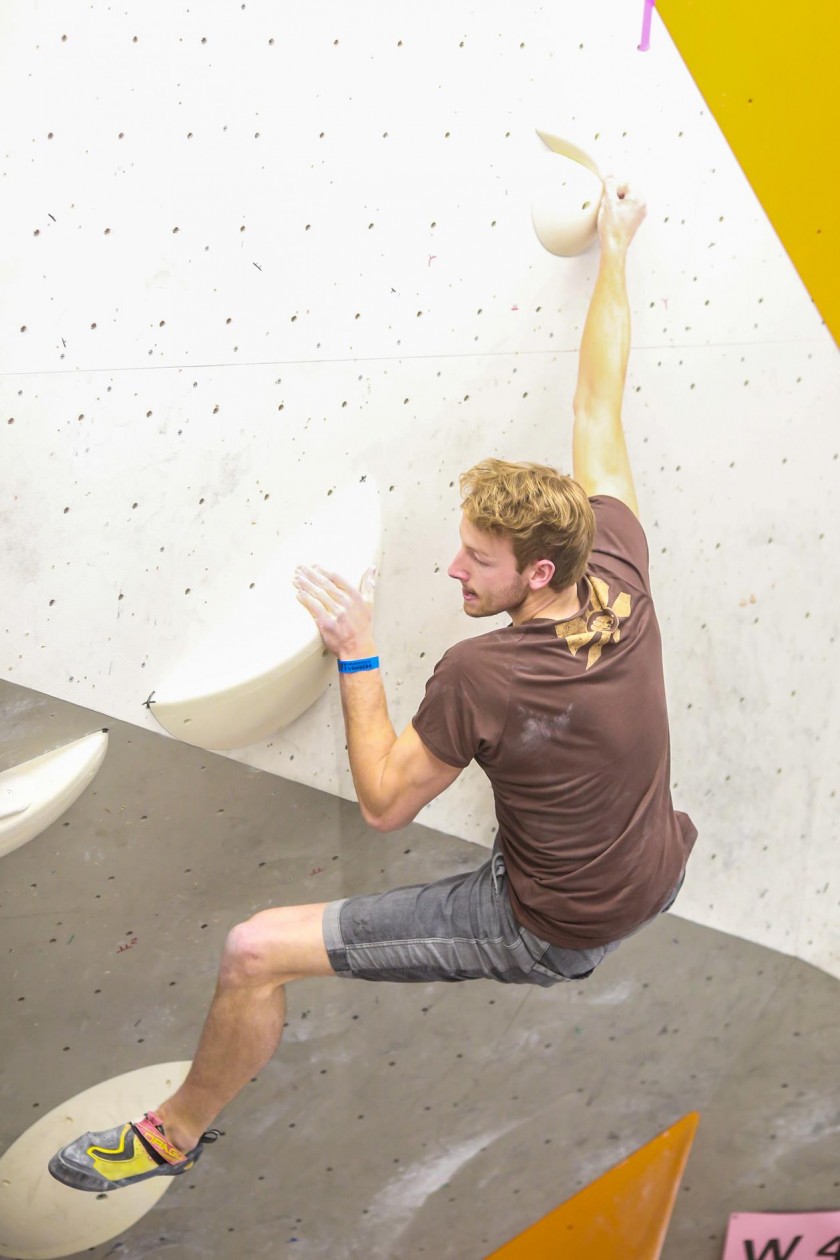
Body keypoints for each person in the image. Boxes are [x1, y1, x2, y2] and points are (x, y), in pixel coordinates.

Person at [49, 177, 696, 1193]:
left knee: (255, 949)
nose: (452, 570)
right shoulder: (615, 561)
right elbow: (597, 401)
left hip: (547, 923)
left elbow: (389, 802)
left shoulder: (482, 673)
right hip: (652, 869)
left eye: (475, 560)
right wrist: (615, 250)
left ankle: (167, 1137)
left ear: (535, 571)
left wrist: (358, 650)